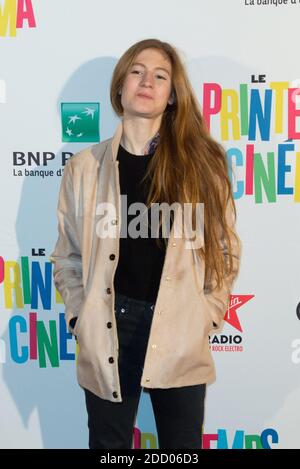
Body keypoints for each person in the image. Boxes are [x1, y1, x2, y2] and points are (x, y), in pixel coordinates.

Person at [50, 38, 242, 450]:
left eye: (160, 75)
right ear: (120, 86)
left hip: (180, 329)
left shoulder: (202, 164)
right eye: (137, 71)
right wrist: (81, 315)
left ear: (172, 96)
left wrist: (206, 314)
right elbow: (67, 255)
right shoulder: (83, 169)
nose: (146, 81)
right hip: (108, 328)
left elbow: (225, 250)